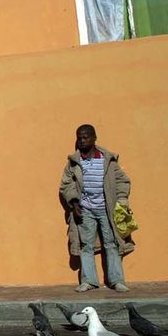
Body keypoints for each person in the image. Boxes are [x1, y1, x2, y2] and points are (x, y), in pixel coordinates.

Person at [59, 124, 133, 292]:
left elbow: (122, 181)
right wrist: (75, 203)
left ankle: (117, 280)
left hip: (107, 209)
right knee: (86, 245)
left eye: (86, 137)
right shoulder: (74, 162)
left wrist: (122, 200)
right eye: (79, 138)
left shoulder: (107, 160)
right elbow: (66, 185)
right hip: (85, 210)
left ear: (94, 138)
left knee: (111, 243)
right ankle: (89, 281)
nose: (82, 141)